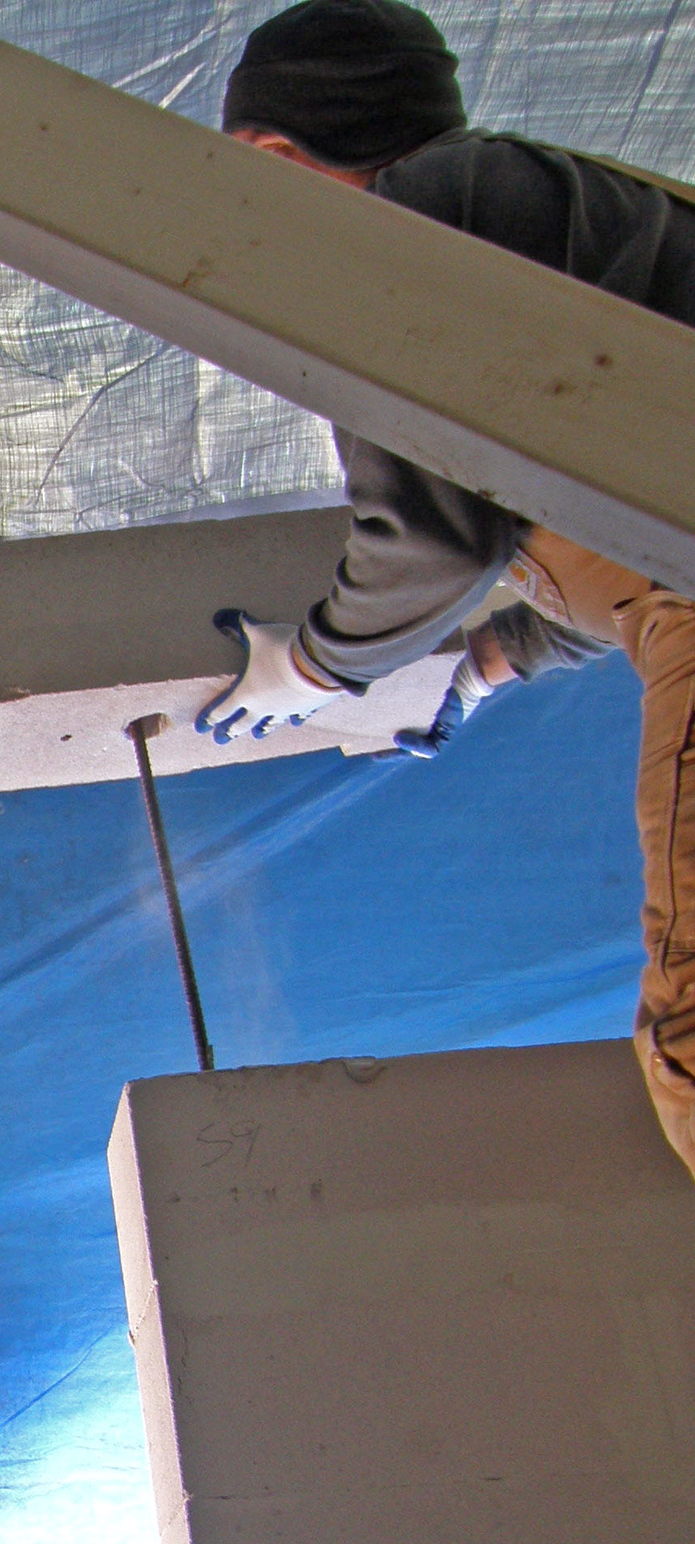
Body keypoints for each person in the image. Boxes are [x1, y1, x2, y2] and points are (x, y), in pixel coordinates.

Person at [194, 0, 695, 1176]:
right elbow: (633, 535)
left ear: (270, 159)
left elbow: (434, 538)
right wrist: (486, 662)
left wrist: (319, 666)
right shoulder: (543, 222)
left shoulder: (421, 221)